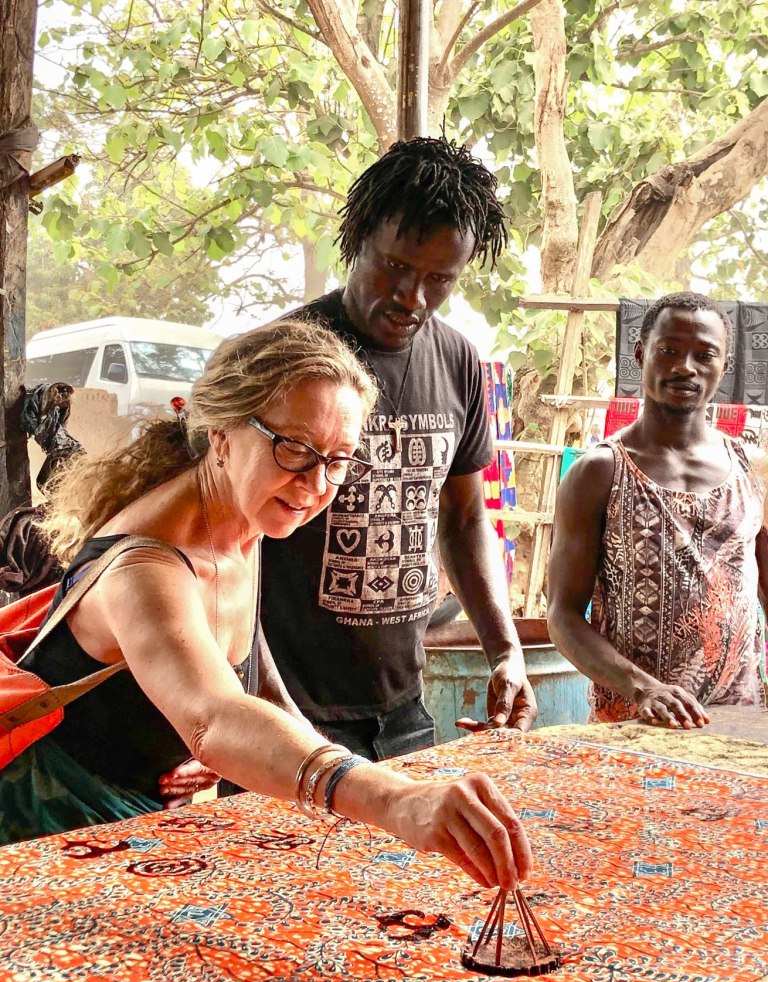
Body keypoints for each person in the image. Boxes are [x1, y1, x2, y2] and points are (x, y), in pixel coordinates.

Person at [0, 319, 532, 894]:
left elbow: (253, 685)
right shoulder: (144, 567)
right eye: (295, 448)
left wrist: (345, 778)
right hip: (45, 830)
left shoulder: (242, 527)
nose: (316, 482)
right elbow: (215, 717)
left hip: (136, 822)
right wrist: (394, 798)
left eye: (338, 459)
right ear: (223, 436)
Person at [259, 136, 537, 762]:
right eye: (396, 266)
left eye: (439, 279)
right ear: (357, 239)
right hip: (282, 713)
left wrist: (506, 651)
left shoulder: (459, 359)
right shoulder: (280, 357)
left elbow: (465, 520)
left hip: (404, 712)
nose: (413, 297)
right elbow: (217, 540)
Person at [547, 291, 768, 729]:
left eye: (705, 355)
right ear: (640, 354)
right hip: (634, 722)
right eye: (668, 351)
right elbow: (563, 615)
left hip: (741, 719)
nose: (686, 367)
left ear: (723, 366)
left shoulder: (753, 468)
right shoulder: (599, 472)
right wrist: (643, 688)